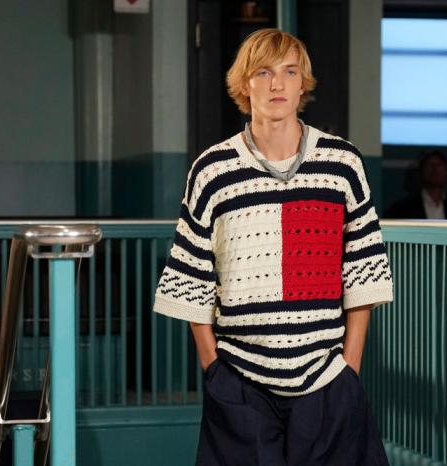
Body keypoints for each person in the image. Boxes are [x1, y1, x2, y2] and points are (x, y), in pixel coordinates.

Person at [153, 29, 393, 465]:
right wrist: (215, 371)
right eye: (262, 72)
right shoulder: (212, 170)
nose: (276, 84)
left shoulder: (342, 164)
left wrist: (348, 370)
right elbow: (191, 279)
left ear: (304, 83)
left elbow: (364, 270)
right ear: (244, 84)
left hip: (327, 381)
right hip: (241, 383)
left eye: (289, 72)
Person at [385, 150, 447, 219]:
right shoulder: (402, 208)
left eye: (439, 165)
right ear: (420, 173)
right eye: (429, 165)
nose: (435, 169)